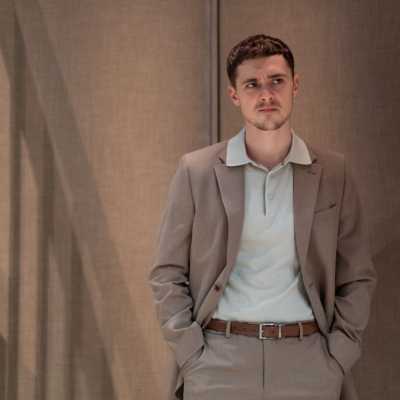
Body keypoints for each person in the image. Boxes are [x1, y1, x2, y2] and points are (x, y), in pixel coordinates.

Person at [148, 34, 377, 400]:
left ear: (295, 85)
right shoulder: (198, 171)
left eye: (276, 81)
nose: (266, 94)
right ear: (234, 95)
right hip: (218, 361)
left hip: (310, 360)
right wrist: (190, 352)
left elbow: (358, 275)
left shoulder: (334, 173)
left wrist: (339, 355)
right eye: (252, 84)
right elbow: (167, 271)